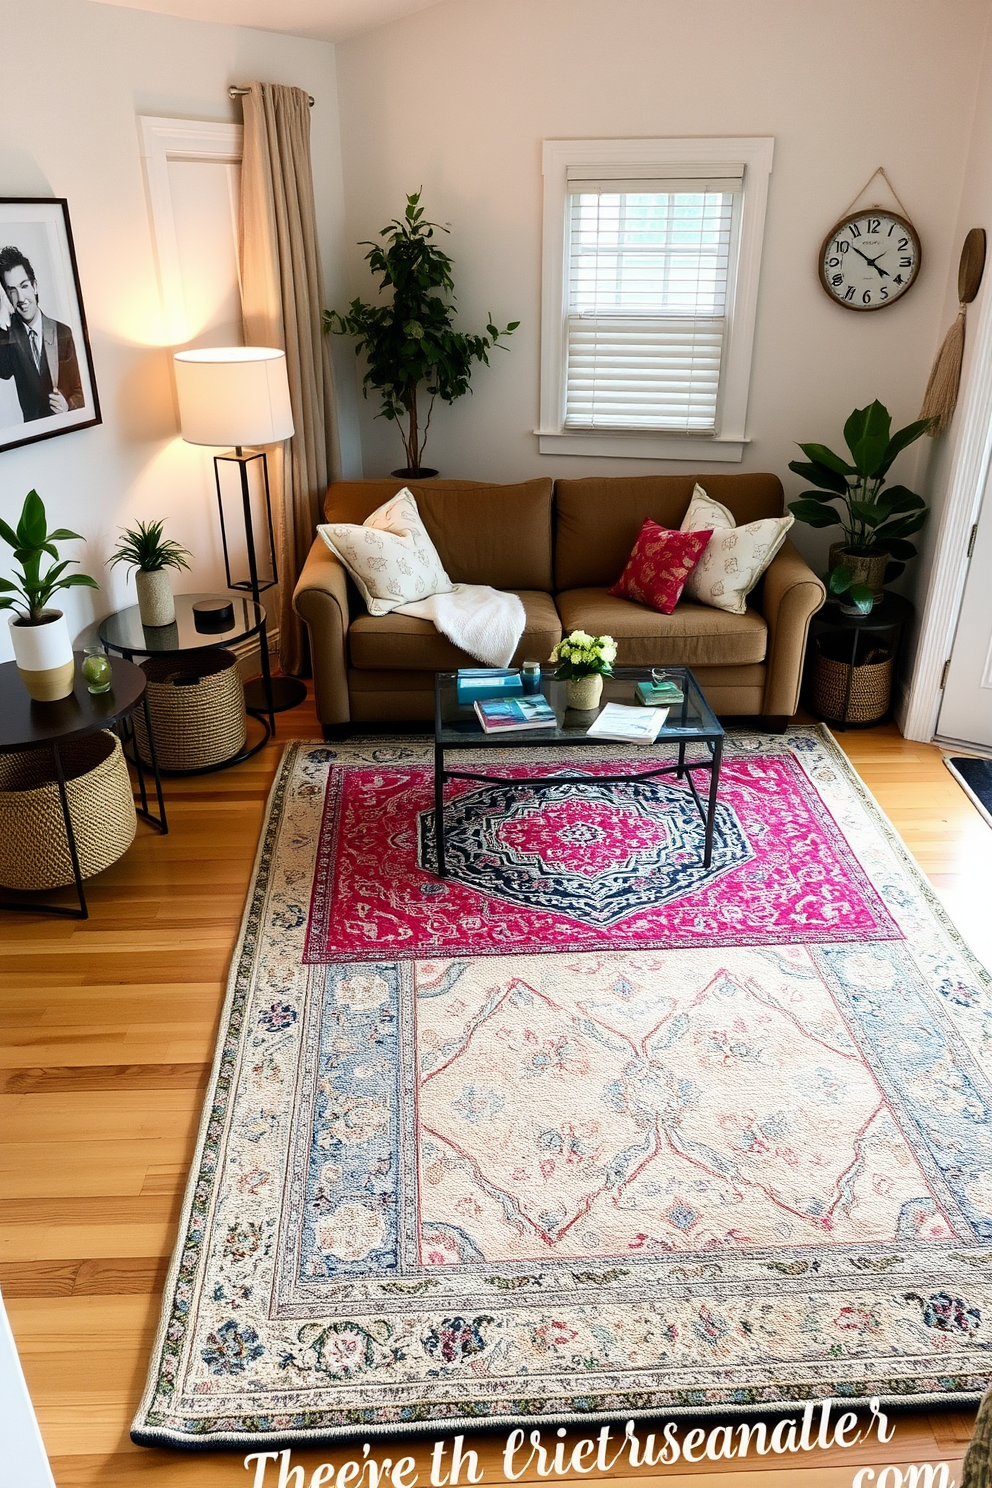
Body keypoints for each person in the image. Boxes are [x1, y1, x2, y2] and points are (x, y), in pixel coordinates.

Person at [0, 246, 84, 422]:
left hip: (66, 428)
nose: (21, 298)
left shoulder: (62, 332)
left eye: (24, 286)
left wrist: (68, 405)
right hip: (34, 436)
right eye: (12, 291)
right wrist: (2, 312)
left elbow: (81, 390)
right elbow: (4, 371)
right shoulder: (8, 335)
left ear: (34, 286)